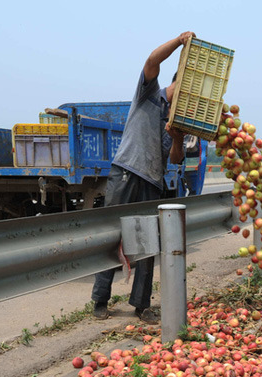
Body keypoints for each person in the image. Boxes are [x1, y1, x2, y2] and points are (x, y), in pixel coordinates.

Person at [91, 31, 194, 322]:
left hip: (152, 181)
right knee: (113, 237)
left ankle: (141, 304)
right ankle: (100, 299)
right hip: (125, 172)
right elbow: (151, 60)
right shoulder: (149, 94)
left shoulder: (178, 121)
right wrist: (178, 41)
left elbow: (175, 158)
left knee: (149, 244)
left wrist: (176, 138)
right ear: (180, 84)